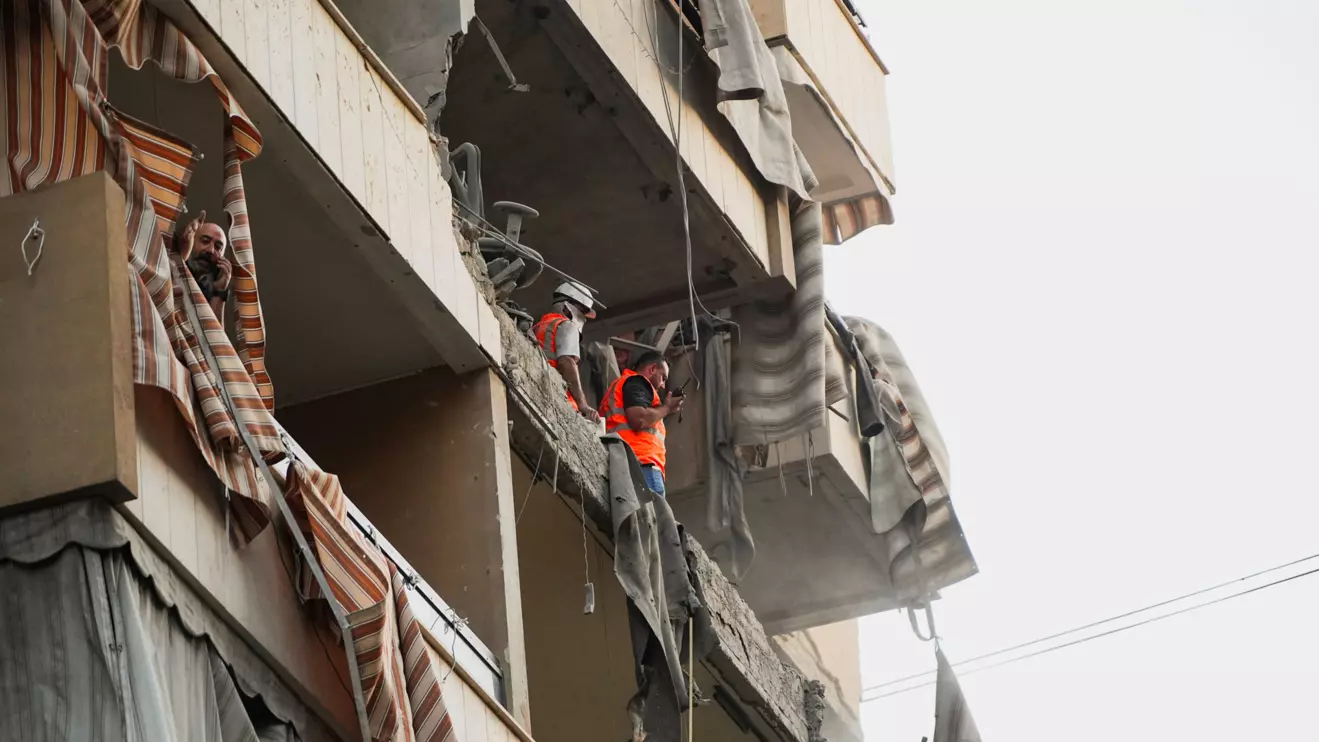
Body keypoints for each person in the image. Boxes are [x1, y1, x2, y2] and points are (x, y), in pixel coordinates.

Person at [599, 351, 684, 496]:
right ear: (652, 369)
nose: (663, 385)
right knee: (652, 516)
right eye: (663, 377)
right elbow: (639, 419)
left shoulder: (622, 385)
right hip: (642, 464)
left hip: (627, 463)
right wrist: (667, 408)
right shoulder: (636, 382)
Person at [534, 281, 602, 422]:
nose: (582, 318)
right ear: (567, 308)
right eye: (582, 311)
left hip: (540, 389)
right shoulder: (566, 325)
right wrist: (582, 405)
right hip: (557, 398)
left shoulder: (539, 325)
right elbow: (567, 361)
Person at [176, 211, 233, 318]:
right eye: (205, 241)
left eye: (218, 247)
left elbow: (215, 334)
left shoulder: (209, 289)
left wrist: (220, 290)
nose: (211, 250)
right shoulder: (168, 267)